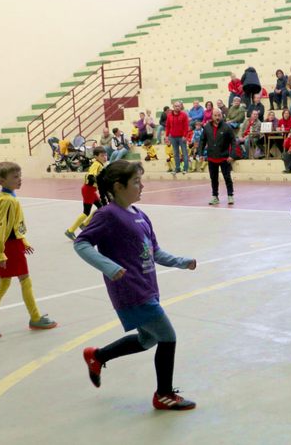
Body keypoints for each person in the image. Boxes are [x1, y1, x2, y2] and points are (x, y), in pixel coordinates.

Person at [75, 161, 197, 410]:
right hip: (130, 290)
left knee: (148, 340)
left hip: (147, 287)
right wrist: (109, 267)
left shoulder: (140, 215)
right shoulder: (108, 214)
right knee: (167, 337)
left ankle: (97, 356)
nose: (142, 185)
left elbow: (154, 252)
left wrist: (181, 262)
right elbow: (82, 243)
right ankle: (163, 394)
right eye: (136, 182)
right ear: (118, 187)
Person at [0, 163, 58, 338]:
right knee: (24, 280)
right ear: (1, 180)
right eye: (15, 177)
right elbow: (1, 227)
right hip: (8, 247)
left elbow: (13, 225)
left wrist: (23, 241)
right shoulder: (8, 201)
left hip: (12, 245)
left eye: (20, 176)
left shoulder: (8, 197)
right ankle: (33, 318)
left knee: (6, 283)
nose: (20, 179)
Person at [65, 146, 108, 240]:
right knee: (86, 212)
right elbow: (90, 176)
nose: (105, 157)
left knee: (101, 207)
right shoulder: (96, 164)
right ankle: (70, 230)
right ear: (96, 157)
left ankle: (85, 224)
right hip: (88, 190)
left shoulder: (100, 164)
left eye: (105, 155)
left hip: (91, 190)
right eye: (102, 155)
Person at [197, 107, 237, 205]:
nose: (217, 117)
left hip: (224, 158)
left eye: (219, 115)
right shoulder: (206, 127)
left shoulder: (227, 127)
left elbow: (233, 141)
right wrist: (201, 154)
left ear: (222, 115)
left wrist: (232, 155)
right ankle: (215, 197)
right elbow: (202, 141)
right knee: (213, 179)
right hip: (211, 157)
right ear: (212, 116)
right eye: (215, 115)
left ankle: (230, 195)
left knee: (227, 177)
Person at [166, 102, 190, 174]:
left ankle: (185, 169)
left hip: (181, 137)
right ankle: (177, 168)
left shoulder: (184, 115)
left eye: (178, 106)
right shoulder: (169, 115)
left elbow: (186, 126)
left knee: (184, 153)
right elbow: (167, 126)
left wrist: (185, 136)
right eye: (175, 106)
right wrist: (167, 136)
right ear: (173, 107)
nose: (177, 107)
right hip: (173, 137)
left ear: (181, 106)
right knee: (176, 153)